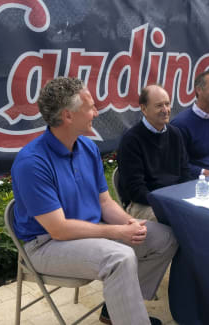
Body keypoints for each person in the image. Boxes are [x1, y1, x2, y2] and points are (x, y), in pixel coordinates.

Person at [11, 77, 177, 325]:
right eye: (90, 107)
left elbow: (105, 203)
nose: (96, 112)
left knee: (165, 237)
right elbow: (59, 229)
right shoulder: (32, 163)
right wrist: (117, 233)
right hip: (44, 245)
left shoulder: (87, 148)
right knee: (119, 257)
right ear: (68, 116)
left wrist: (131, 224)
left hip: (86, 233)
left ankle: (119, 308)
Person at [117, 85, 191, 221]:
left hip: (174, 199)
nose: (165, 110)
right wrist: (167, 202)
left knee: (204, 215)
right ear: (144, 109)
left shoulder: (175, 134)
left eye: (167, 104)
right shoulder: (131, 140)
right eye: (159, 106)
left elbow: (185, 172)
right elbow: (136, 190)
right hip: (144, 204)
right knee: (182, 220)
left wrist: (180, 198)